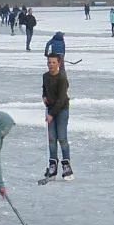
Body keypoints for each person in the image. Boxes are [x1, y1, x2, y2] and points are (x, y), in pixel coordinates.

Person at [42, 52, 73, 181]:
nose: (51, 65)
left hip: (61, 110)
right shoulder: (45, 76)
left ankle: (66, 165)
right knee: (51, 139)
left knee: (62, 137)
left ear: (59, 64)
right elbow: (44, 88)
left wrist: (51, 115)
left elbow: (61, 100)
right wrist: (44, 96)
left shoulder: (62, 78)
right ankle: (52, 165)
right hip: (51, 109)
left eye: (54, 63)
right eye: (49, 62)